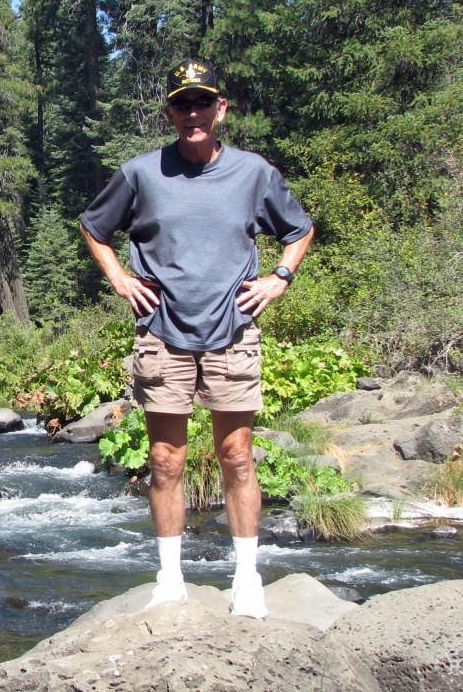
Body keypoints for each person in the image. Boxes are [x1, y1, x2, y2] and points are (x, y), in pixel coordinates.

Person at [80, 60, 314, 619]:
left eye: (202, 103)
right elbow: (94, 226)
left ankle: (247, 579)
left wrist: (279, 278)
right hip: (162, 332)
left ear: (220, 109)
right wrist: (118, 278)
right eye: (182, 104)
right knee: (164, 459)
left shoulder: (253, 172)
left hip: (233, 330)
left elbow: (299, 229)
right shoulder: (141, 173)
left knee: (237, 456)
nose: (193, 114)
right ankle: (168, 578)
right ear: (168, 111)